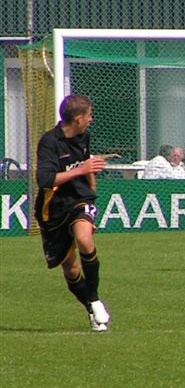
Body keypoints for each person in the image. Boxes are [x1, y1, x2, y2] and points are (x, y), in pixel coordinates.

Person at [34, 94, 113, 331]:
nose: (92, 119)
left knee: (84, 239)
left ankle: (96, 298)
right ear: (78, 119)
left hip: (79, 199)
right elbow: (45, 180)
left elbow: (85, 162)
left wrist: (91, 179)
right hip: (53, 209)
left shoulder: (83, 136)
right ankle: (91, 308)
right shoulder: (49, 142)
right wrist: (82, 169)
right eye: (89, 115)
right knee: (70, 267)